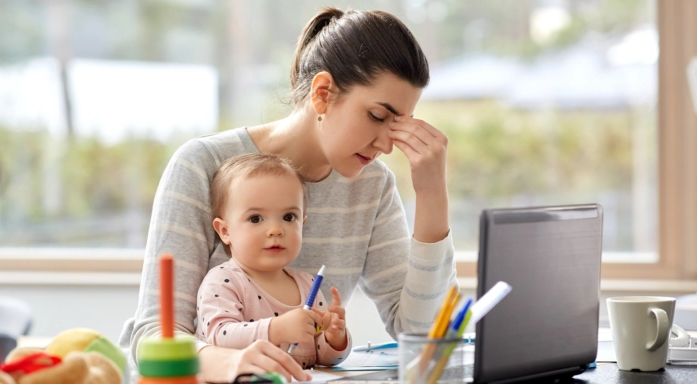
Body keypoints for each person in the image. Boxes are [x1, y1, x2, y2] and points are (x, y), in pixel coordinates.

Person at [119, 6, 458, 383]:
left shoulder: (371, 185)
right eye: (378, 116)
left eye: (398, 126)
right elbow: (153, 337)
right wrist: (231, 362)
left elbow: (426, 338)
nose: (386, 145)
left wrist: (432, 196)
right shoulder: (203, 164)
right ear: (323, 93)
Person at [196, 153, 351, 369]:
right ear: (225, 231)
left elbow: (323, 359)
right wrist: (276, 329)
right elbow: (218, 337)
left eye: (289, 217)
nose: (276, 230)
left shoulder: (308, 286)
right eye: (255, 218)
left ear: (303, 223)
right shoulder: (222, 281)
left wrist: (334, 337)